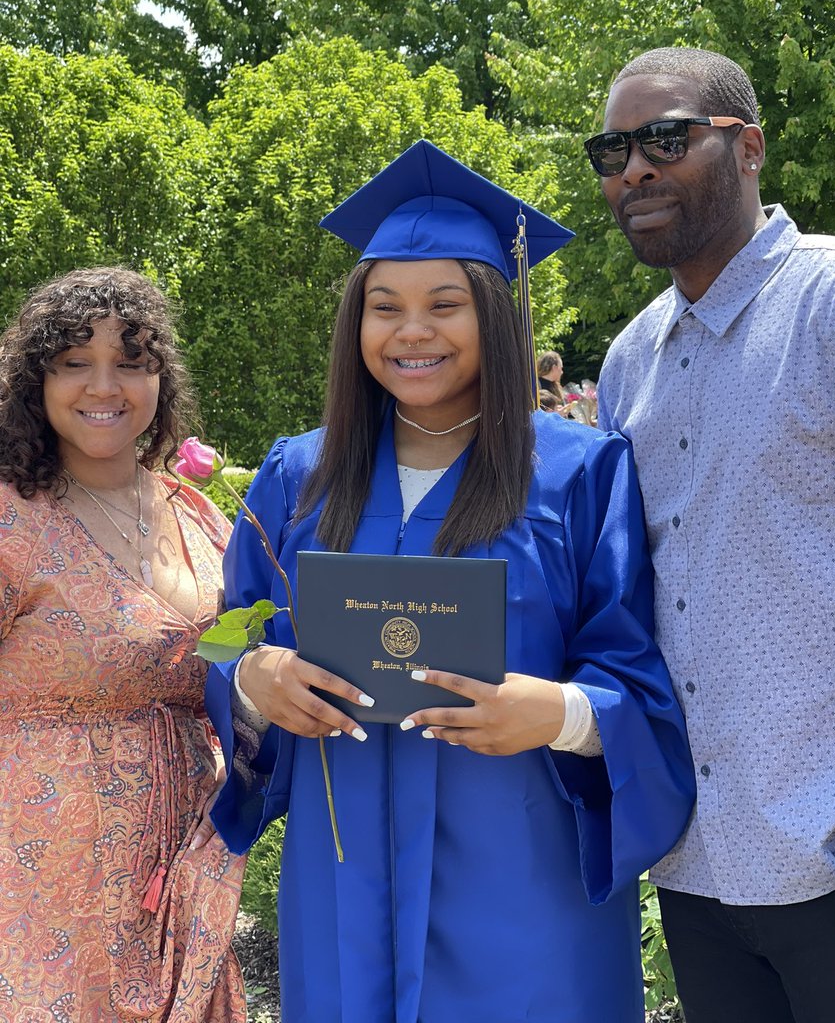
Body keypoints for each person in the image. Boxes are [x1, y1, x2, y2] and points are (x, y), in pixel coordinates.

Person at [206, 139, 695, 1023]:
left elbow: (634, 674)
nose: (411, 331)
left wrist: (563, 713)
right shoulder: (298, 475)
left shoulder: (578, 472)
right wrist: (253, 675)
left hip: (522, 872)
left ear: (497, 319)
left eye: (445, 304)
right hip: (344, 868)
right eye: (383, 306)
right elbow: (230, 626)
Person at [586, 47, 835, 1022]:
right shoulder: (631, 365)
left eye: (667, 138)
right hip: (699, 870)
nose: (634, 168)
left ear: (749, 146)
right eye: (613, 149)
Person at [0, 268, 246, 1021]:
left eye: (131, 361)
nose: (103, 385)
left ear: (159, 381)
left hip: (183, 872)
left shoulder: (197, 512)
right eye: (74, 362)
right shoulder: (10, 521)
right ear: (36, 382)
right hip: (40, 887)